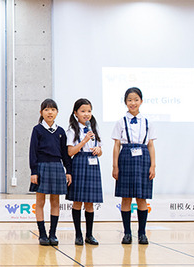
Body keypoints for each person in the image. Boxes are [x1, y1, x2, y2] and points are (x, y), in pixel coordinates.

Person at [111, 87, 156, 245]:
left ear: (141, 101)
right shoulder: (120, 122)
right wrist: (115, 166)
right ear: (125, 102)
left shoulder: (147, 122)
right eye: (130, 100)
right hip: (126, 157)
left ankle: (142, 233)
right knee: (126, 198)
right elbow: (117, 145)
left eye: (136, 99)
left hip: (143, 159)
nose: (133, 103)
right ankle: (127, 233)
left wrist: (153, 166)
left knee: (142, 198)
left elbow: (151, 145)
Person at [29, 98, 72, 246]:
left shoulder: (60, 131)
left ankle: (52, 234)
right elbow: (32, 152)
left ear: (57, 112)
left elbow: (65, 154)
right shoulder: (37, 129)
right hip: (41, 166)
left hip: (57, 167)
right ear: (41, 112)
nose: (50, 112)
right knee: (40, 201)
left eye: (53, 109)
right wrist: (34, 171)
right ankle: (42, 234)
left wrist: (68, 170)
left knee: (55, 201)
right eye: (46, 109)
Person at [66, 98, 103, 246]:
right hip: (79, 162)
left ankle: (89, 234)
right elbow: (70, 152)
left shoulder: (94, 129)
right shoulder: (72, 130)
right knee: (77, 201)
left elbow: (100, 151)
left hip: (93, 164)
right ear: (76, 113)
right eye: (83, 111)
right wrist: (84, 141)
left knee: (90, 203)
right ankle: (78, 235)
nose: (86, 114)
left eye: (89, 111)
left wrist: (98, 150)